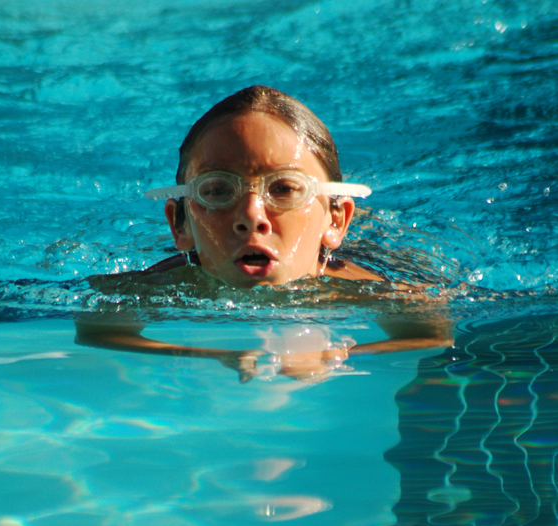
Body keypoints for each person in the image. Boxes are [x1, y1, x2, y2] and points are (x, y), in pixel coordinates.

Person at [77, 86, 452, 379]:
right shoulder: (158, 286)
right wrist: (197, 354)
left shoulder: (362, 287)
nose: (252, 216)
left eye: (285, 190)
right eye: (218, 191)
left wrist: (333, 358)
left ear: (335, 221)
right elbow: (95, 331)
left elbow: (435, 334)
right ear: (180, 224)